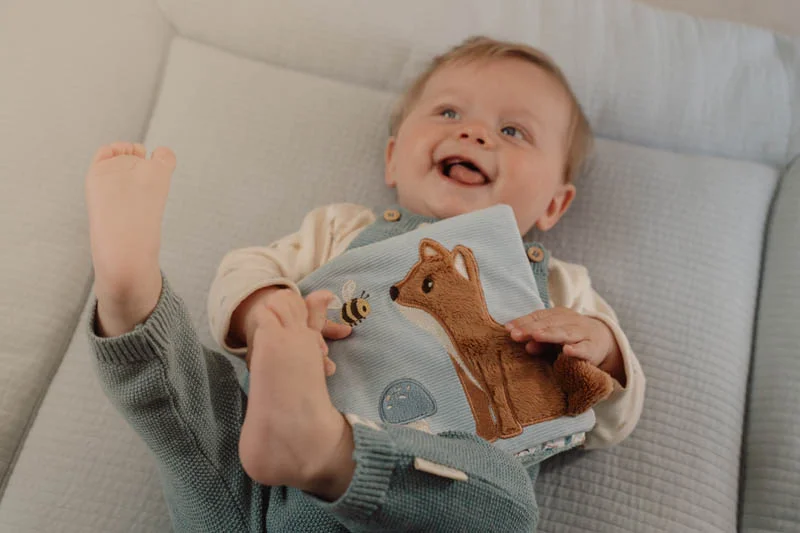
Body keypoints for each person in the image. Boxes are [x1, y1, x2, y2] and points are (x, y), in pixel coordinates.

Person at [85, 36, 645, 532]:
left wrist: (602, 348)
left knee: (503, 498)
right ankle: (133, 299)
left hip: (402, 499)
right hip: (248, 483)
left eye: (512, 130)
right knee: (198, 399)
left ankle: (329, 454)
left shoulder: (559, 286)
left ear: (554, 202)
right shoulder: (342, 228)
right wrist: (267, 312)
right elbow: (247, 267)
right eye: (448, 112)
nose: (473, 132)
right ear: (393, 157)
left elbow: (612, 420)